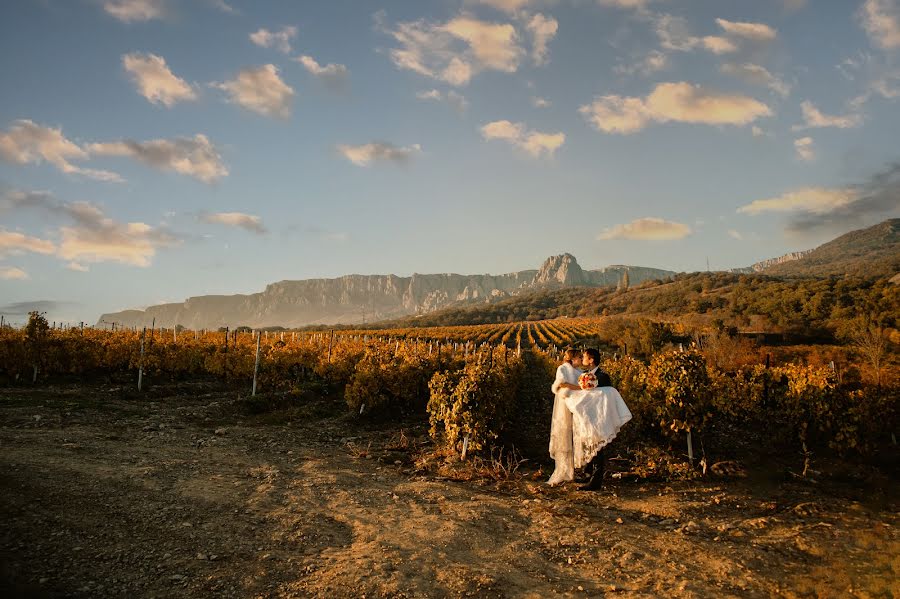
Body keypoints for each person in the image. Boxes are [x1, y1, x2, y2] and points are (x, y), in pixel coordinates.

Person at [565, 348, 632, 491]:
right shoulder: (585, 375)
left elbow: (603, 398)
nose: (582, 358)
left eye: (584, 357)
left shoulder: (602, 376)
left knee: (599, 449)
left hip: (600, 419)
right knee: (590, 446)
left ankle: (595, 482)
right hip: (590, 418)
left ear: (591, 360)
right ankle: (589, 475)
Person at [547, 349, 583, 486]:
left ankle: (574, 470)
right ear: (572, 358)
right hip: (565, 405)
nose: (581, 359)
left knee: (575, 435)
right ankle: (563, 470)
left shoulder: (580, 372)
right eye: (579, 357)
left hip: (578, 406)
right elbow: (561, 384)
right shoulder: (562, 368)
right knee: (564, 434)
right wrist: (580, 388)